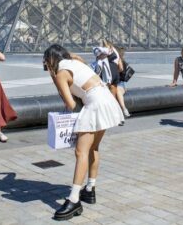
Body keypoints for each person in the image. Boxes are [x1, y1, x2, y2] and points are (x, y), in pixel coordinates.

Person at [43, 44, 124, 221]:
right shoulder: (75, 61)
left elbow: (71, 104)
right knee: (94, 147)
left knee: (81, 152)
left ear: (50, 60)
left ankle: (73, 200)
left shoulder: (60, 74)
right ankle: (90, 189)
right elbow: (73, 56)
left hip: (95, 104)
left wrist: (54, 78)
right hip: (107, 99)